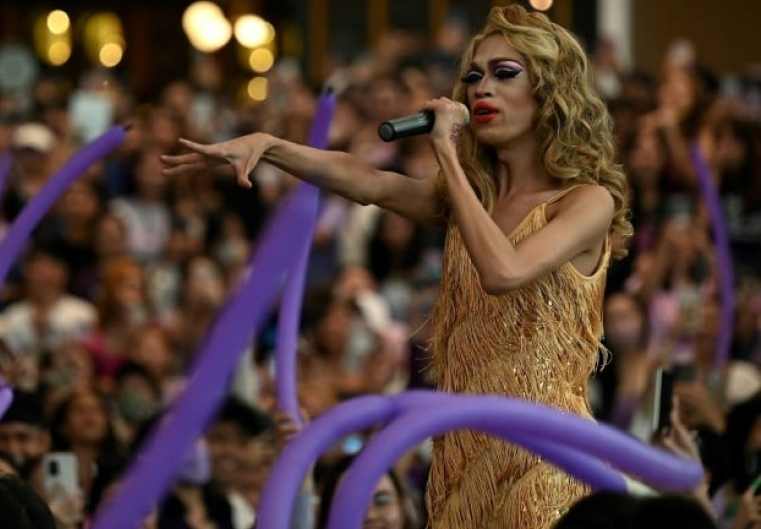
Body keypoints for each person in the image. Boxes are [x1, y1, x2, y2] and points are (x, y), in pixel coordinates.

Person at [161, 5, 631, 529]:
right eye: (473, 76)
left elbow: (505, 271)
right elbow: (368, 182)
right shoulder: (469, 200)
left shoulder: (587, 201)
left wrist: (447, 154)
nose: (481, 89)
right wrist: (270, 147)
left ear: (551, 90)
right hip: (460, 452)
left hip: (547, 454)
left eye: (504, 73)